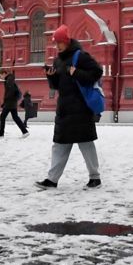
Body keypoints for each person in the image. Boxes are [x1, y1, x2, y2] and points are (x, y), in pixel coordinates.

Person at [35, 24, 103, 190]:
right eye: (55, 42)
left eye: (59, 42)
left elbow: (97, 72)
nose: (57, 45)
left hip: (80, 110)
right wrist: (51, 77)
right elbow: (57, 86)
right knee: (59, 145)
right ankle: (52, 180)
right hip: (64, 109)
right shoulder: (58, 60)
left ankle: (95, 178)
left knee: (86, 143)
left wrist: (77, 73)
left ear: (66, 41)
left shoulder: (80, 56)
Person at [0, 67, 29, 138]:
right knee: (15, 117)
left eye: (0, 76)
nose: (1, 77)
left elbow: (10, 91)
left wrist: (6, 101)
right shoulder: (9, 79)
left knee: (2, 116)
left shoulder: (9, 80)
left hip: (10, 102)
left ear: (4, 73)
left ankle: (1, 134)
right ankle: (25, 132)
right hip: (12, 102)